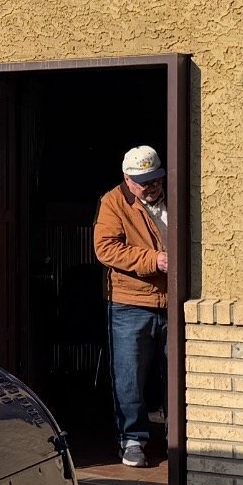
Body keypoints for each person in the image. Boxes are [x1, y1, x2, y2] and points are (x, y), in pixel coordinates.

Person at [93, 143, 169, 468]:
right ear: (127, 179)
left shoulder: (176, 194)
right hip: (129, 302)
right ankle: (133, 439)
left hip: (171, 301)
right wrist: (154, 260)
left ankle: (179, 437)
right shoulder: (113, 202)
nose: (152, 187)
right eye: (144, 182)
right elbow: (106, 249)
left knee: (176, 373)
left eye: (156, 179)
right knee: (129, 375)